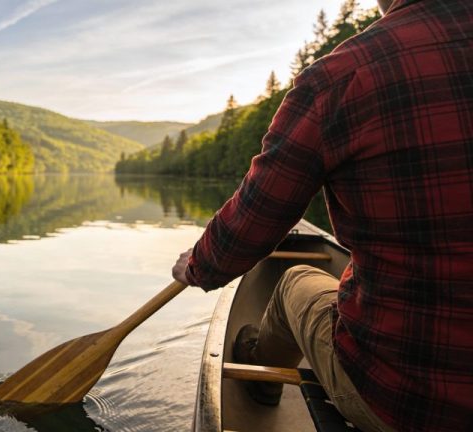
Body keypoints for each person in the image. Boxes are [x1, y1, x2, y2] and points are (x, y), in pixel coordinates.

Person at [171, 1, 473, 431]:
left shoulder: (344, 75)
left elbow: (253, 222)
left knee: (295, 279)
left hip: (407, 402)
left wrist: (199, 265)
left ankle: (261, 383)